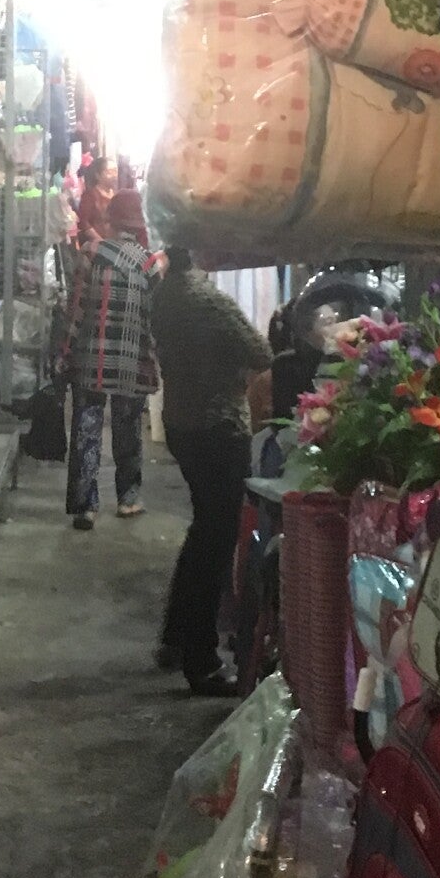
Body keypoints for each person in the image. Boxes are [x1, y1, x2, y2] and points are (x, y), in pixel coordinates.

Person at [150, 248, 271, 697]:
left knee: (203, 532)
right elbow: (261, 352)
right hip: (217, 427)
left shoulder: (166, 293)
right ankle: (201, 660)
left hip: (183, 422)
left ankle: (176, 637)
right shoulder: (208, 301)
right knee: (216, 543)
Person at [60, 186, 158, 529]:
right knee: (128, 429)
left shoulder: (92, 253)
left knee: (86, 430)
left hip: (92, 360)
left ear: (111, 219)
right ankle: (128, 499)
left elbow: (76, 310)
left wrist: (66, 351)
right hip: (132, 361)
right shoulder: (149, 264)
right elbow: (153, 320)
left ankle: (85, 506)